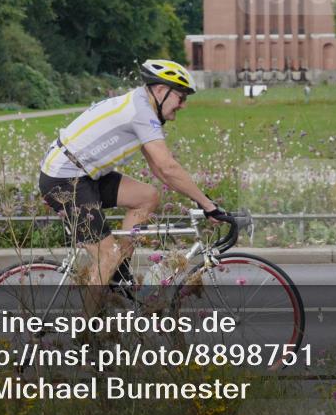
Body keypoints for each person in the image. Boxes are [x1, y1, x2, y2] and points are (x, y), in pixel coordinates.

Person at [38, 59, 226, 290]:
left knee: (147, 196)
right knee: (106, 258)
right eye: (181, 97)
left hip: (85, 175)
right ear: (160, 90)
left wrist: (201, 200)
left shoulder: (143, 106)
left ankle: (119, 273)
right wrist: (208, 206)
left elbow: (159, 169)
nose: (183, 105)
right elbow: (168, 167)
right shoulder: (141, 113)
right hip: (65, 180)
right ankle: (87, 324)